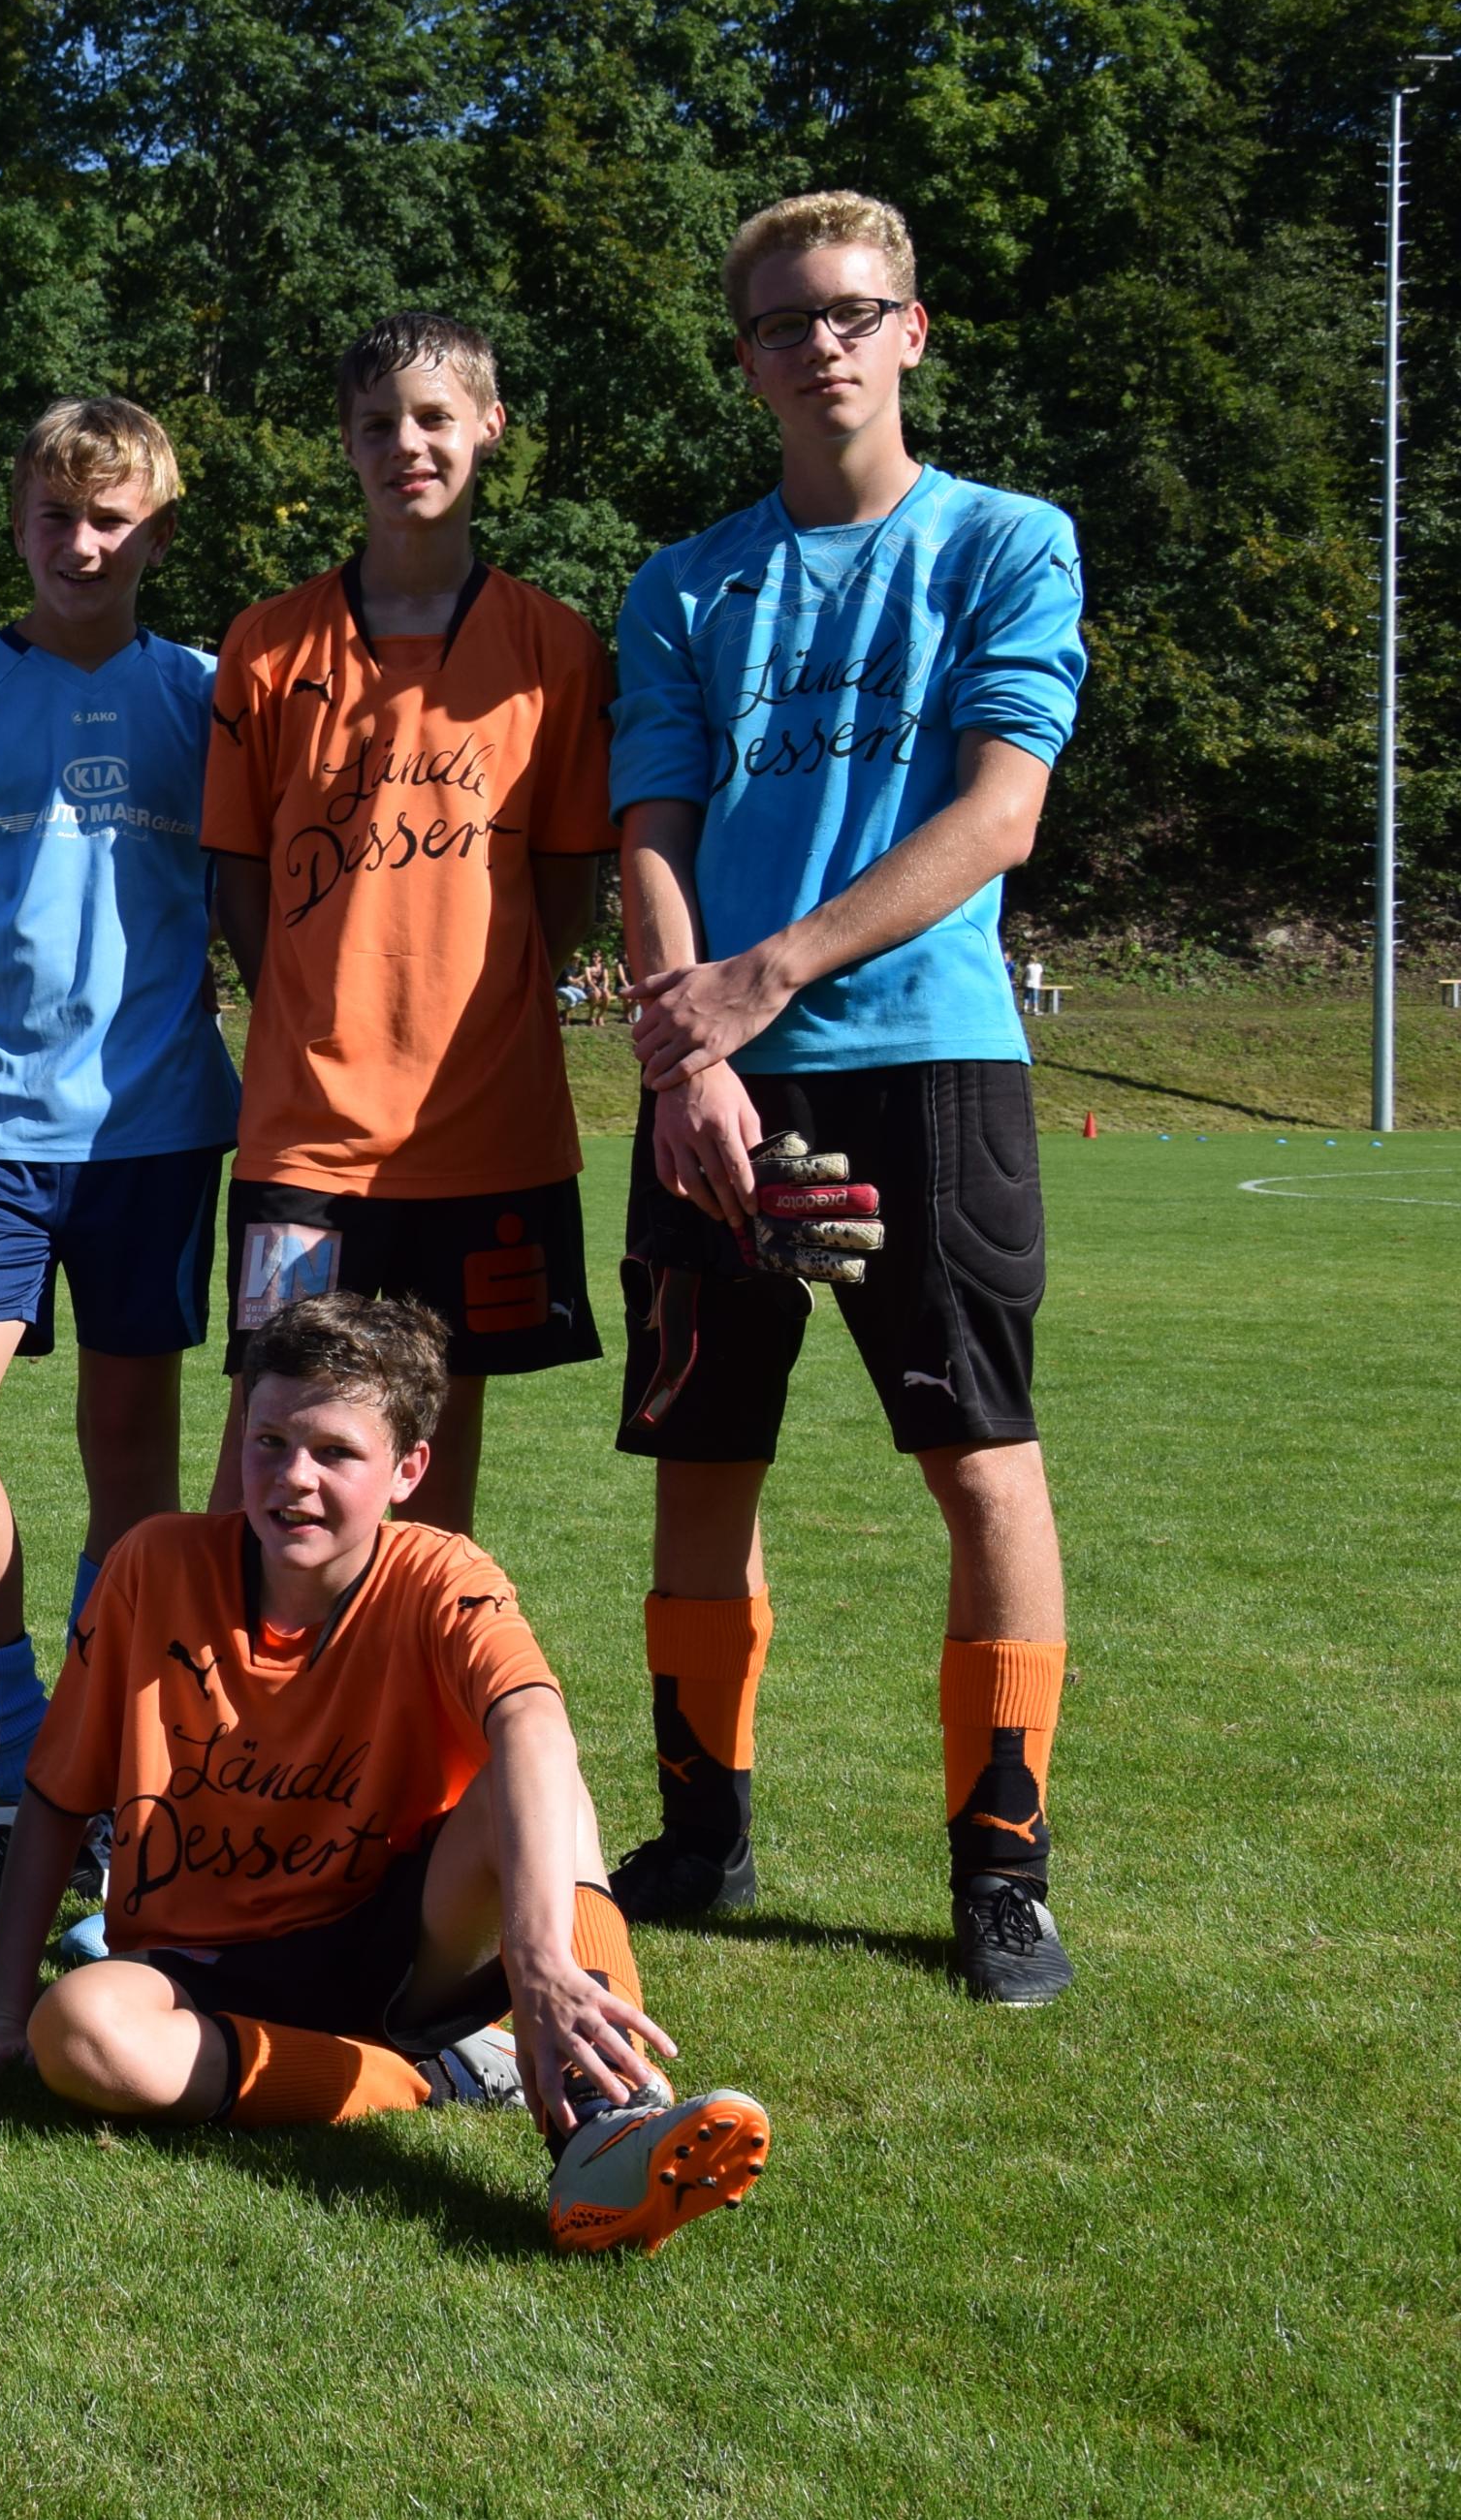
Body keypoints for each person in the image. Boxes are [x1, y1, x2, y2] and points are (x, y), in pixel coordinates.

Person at [605, 191, 1086, 2008]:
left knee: (977, 1457)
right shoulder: (685, 584)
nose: (822, 342)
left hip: (923, 1061)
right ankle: (700, 1833)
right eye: (784, 320)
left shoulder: (1004, 541)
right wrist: (692, 1054)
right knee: (700, 1450)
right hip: (715, 1077)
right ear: (745, 361)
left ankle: (1001, 1868)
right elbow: (652, 830)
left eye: (854, 310)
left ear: (912, 332)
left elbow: (1000, 813)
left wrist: (770, 974)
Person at [0, 1293, 773, 2256]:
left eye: (335, 1452)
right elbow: (56, 1797)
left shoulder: (442, 1575)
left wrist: (538, 1957)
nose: (293, 1477)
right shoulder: (152, 1565)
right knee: (76, 2032)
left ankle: (605, 2110)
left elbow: (535, 1726)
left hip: (397, 1949)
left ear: (408, 1470)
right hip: (199, 1973)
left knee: (539, 1778)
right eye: (269, 1441)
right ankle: (428, 2076)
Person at [0, 394, 237, 1889]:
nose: (81, 543)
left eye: (111, 518)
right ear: (15, 524)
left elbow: (257, 914)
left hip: (158, 1131)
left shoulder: (204, 695)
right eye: (56, 515)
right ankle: (14, 1736)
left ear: (159, 533)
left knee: (132, 1455)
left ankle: (105, 1755)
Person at [200, 310, 614, 1533]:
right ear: (346, 442)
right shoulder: (268, 643)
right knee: (267, 1439)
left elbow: (567, 886)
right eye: (377, 424)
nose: (407, 446)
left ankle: (412, 1664)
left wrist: (480, 1005)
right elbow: (238, 880)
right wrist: (317, 1010)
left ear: (489, 427)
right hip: (308, 1131)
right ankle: (223, 1663)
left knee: (430, 1459)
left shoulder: (553, 648)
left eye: (434, 418)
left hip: (482, 1127)